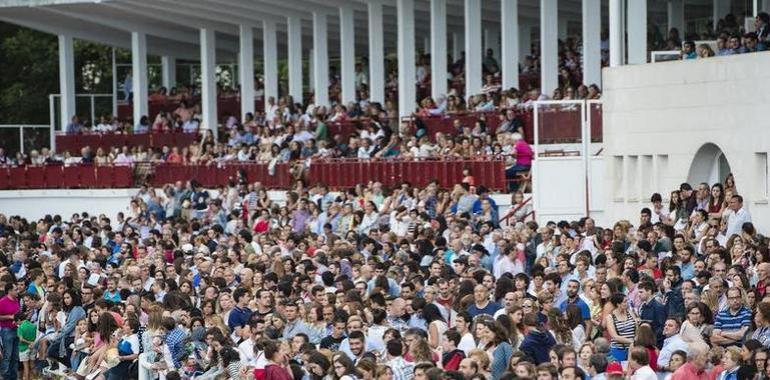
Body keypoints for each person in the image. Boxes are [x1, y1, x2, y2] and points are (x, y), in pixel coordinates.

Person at [0, 282, 21, 380]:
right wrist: (9, 316)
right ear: (10, 291)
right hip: (7, 330)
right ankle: (5, 376)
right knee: (7, 355)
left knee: (15, 356)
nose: (18, 291)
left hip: (16, 329)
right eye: (15, 289)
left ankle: (13, 376)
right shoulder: (2, 302)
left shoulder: (16, 300)